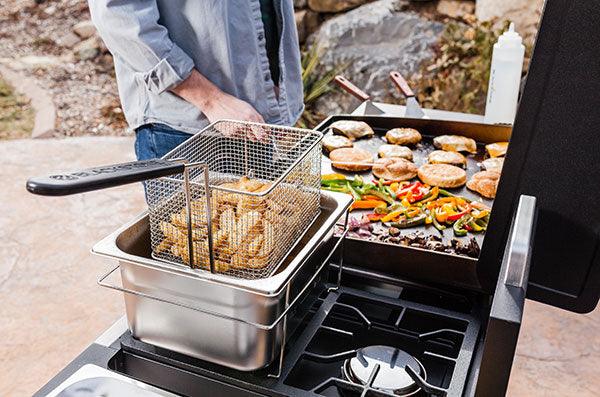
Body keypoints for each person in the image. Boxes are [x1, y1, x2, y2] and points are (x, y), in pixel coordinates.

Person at [89, 0, 304, 161]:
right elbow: (118, 16)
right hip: (187, 130)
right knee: (191, 223)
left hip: (259, 121)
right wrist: (211, 99)